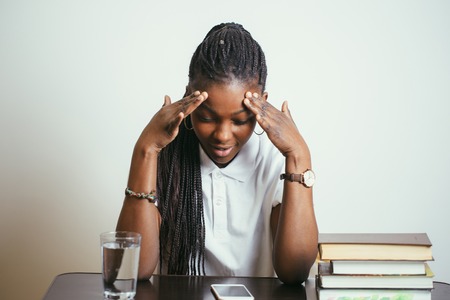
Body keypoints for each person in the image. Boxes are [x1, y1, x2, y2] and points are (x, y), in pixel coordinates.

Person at [116, 22, 318, 284]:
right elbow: (134, 269)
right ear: (190, 98)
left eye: (240, 120)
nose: (222, 135)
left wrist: (299, 155)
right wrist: (145, 150)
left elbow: (294, 272)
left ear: (262, 105)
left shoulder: (275, 160)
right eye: (207, 117)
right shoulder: (164, 153)